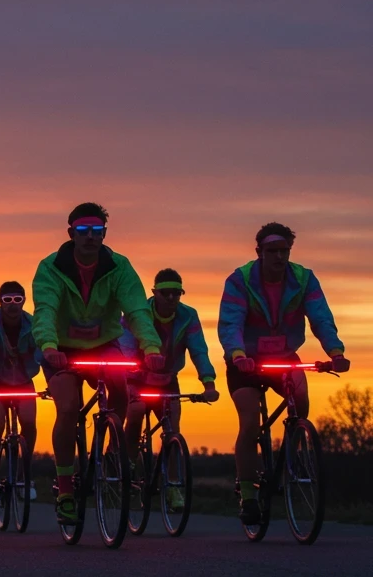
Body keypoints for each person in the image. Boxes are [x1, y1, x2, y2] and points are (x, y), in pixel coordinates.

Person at [31, 203, 164, 525]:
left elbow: (137, 311)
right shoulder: (50, 267)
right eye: (83, 231)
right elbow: (45, 310)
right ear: (71, 234)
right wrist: (48, 347)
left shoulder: (119, 266)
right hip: (60, 347)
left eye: (97, 232)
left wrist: (152, 347)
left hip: (104, 343)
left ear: (104, 234)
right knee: (68, 407)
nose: (90, 237)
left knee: (121, 391)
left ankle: (111, 452)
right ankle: (64, 490)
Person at [217, 223, 349, 525]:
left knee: (301, 402)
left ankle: (293, 449)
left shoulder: (304, 279)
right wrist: (237, 355)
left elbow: (321, 319)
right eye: (272, 251)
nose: (279, 257)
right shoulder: (240, 280)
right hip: (245, 360)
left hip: (284, 356)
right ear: (259, 252)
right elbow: (230, 323)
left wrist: (336, 353)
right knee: (250, 421)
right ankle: (248, 495)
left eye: (284, 251)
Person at [120, 269, 220, 509]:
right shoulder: (137, 314)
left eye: (177, 293)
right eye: (166, 293)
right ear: (155, 293)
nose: (172, 298)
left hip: (167, 378)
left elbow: (199, 350)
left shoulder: (188, 316)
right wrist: (131, 376)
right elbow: (124, 347)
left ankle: (174, 486)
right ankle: (127, 463)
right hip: (137, 377)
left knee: (173, 432)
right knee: (134, 413)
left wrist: (208, 383)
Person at [0, 281, 42, 497]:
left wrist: (53, 375)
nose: (13, 305)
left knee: (29, 424)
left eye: (17, 299)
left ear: (24, 301)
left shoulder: (33, 324)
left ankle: (25, 477)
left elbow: (42, 351)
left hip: (23, 381)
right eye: (7, 300)